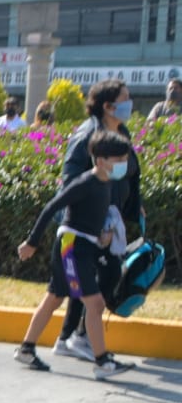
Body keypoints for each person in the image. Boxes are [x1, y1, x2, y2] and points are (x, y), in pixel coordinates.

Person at [13, 130, 135, 379]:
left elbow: (95, 215)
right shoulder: (85, 183)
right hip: (71, 245)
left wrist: (105, 234)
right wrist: (32, 242)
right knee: (95, 303)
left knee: (55, 297)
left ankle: (26, 349)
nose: (123, 164)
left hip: (84, 245)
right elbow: (51, 208)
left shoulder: (106, 183)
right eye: (119, 159)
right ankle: (102, 362)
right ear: (101, 161)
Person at [53, 79, 147, 363]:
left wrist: (135, 205)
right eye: (125, 98)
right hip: (88, 223)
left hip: (110, 217)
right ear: (107, 105)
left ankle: (69, 338)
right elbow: (70, 183)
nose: (129, 104)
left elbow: (129, 175)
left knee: (88, 281)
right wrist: (94, 224)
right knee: (96, 279)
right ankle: (77, 338)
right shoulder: (87, 135)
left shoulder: (121, 131)